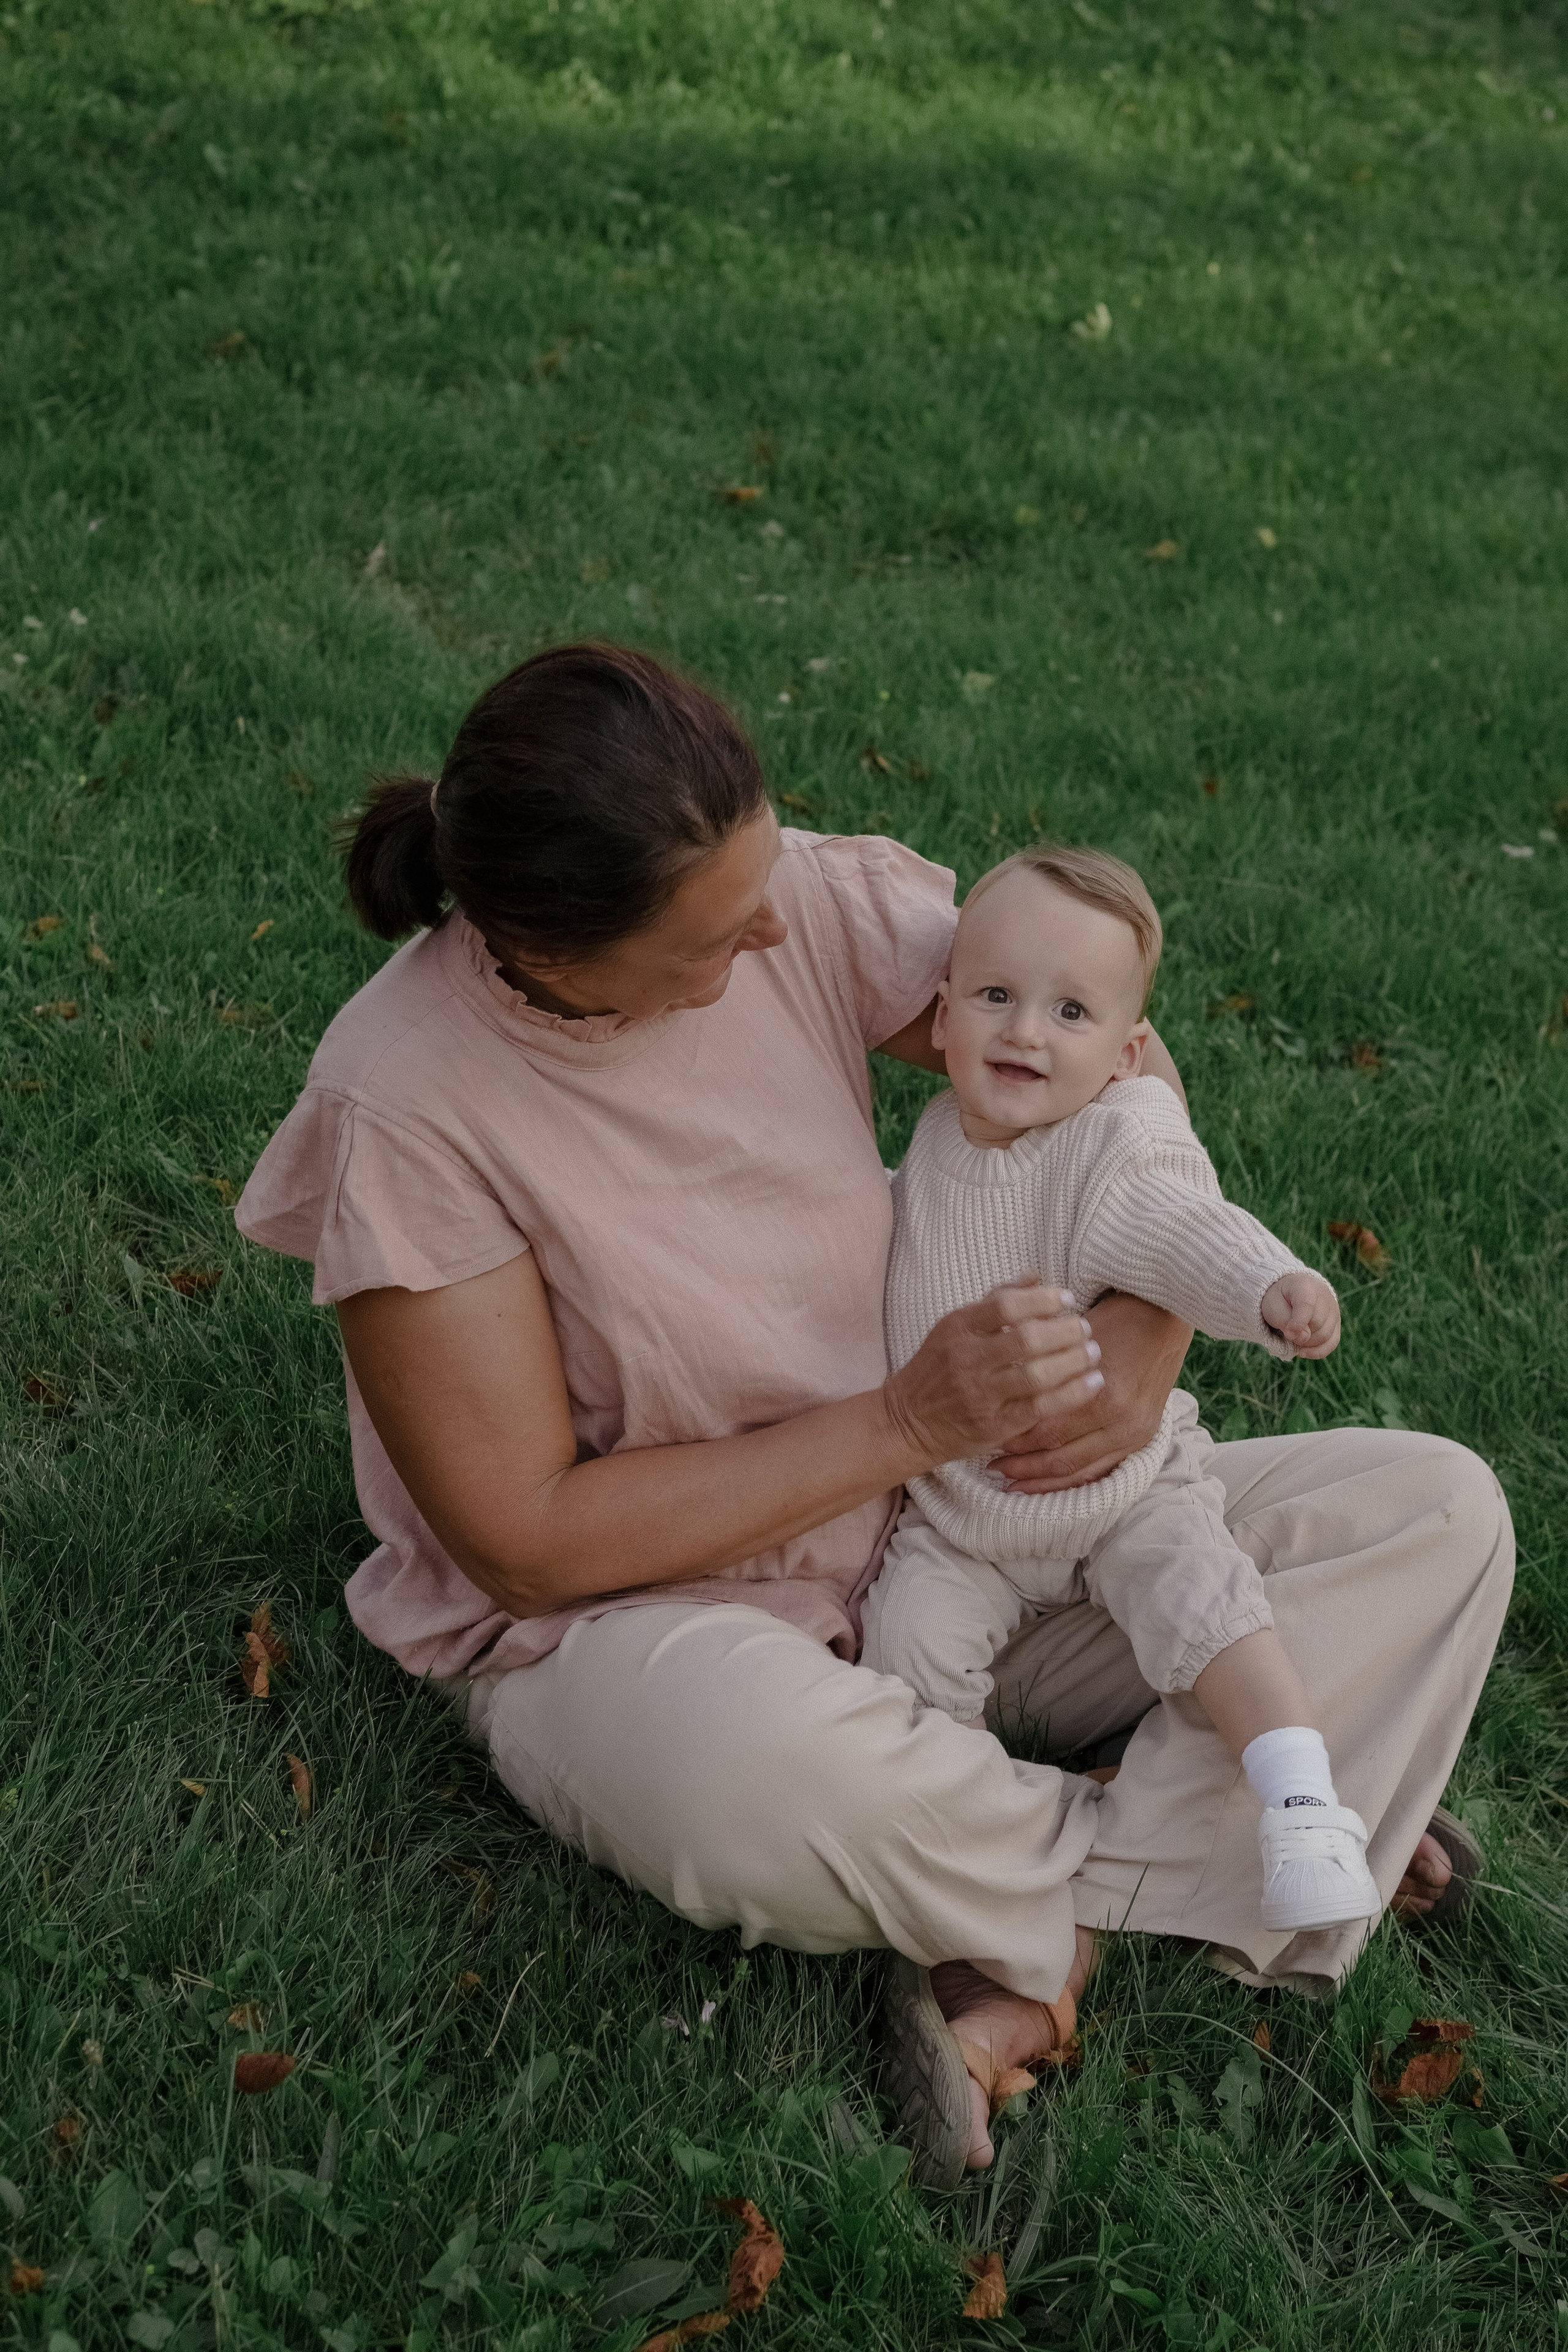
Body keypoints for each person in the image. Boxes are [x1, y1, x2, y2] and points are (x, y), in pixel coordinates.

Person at [234, 641, 1512, 2185]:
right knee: (747, 1781)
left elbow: (1103, 1048)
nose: (772, 931)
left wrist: (1146, 1328)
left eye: (767, 881)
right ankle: (1233, 1822)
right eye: (715, 938)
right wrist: (908, 1420)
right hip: (650, 1629)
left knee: (1433, 1509)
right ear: (559, 953)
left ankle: (1019, 1881)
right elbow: (522, 1546)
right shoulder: (408, 1105)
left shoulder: (788, 902)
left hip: (954, 1544)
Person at [865, 845, 1379, 1936]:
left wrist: (1269, 1284)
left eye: (1069, 1011)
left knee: (1203, 1593)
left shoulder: (1107, 1146)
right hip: (962, 1514)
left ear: (1126, 1055)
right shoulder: (926, 1152)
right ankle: (971, 1833)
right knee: (905, 1646)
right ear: (942, 1015)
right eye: (997, 997)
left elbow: (1181, 1229)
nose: (1025, 1032)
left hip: (1120, 1491)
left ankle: (1301, 1800)